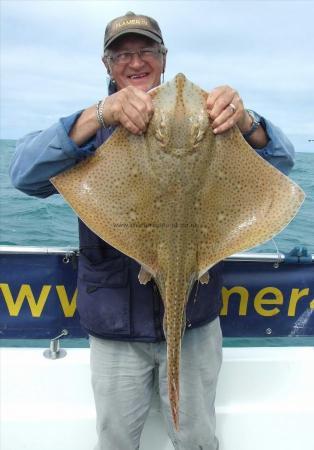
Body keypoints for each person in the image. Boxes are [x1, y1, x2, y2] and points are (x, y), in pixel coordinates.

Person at [10, 11, 295, 450]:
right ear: (107, 66)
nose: (136, 61)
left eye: (146, 51)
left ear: (163, 58)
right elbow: (23, 175)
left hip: (194, 325)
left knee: (196, 438)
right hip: (116, 333)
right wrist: (100, 115)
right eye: (123, 54)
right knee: (117, 442)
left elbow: (280, 166)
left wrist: (244, 122)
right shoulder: (94, 135)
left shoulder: (214, 127)